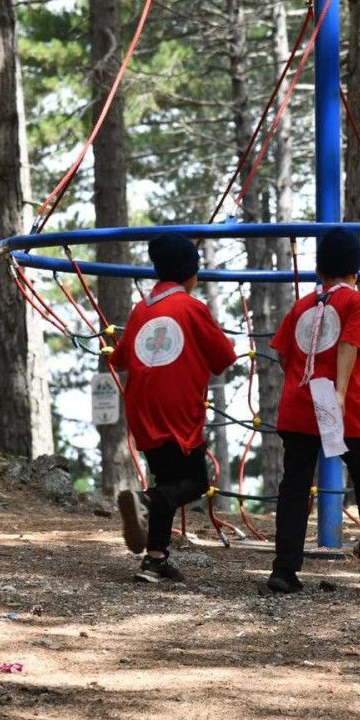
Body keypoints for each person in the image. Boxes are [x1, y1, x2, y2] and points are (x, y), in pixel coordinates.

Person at [265, 226, 360, 593]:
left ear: (319, 270)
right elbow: (349, 345)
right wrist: (339, 392)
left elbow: (282, 352)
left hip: (298, 401)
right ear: (355, 271)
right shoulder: (356, 302)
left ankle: (284, 569)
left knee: (295, 483)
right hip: (338, 403)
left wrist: (300, 379)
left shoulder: (302, 305)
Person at [111, 233, 236, 583]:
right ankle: (145, 501)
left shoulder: (141, 309)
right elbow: (224, 358)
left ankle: (154, 559)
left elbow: (121, 357)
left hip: (141, 408)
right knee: (195, 482)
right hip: (176, 408)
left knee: (168, 479)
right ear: (192, 274)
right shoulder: (192, 308)